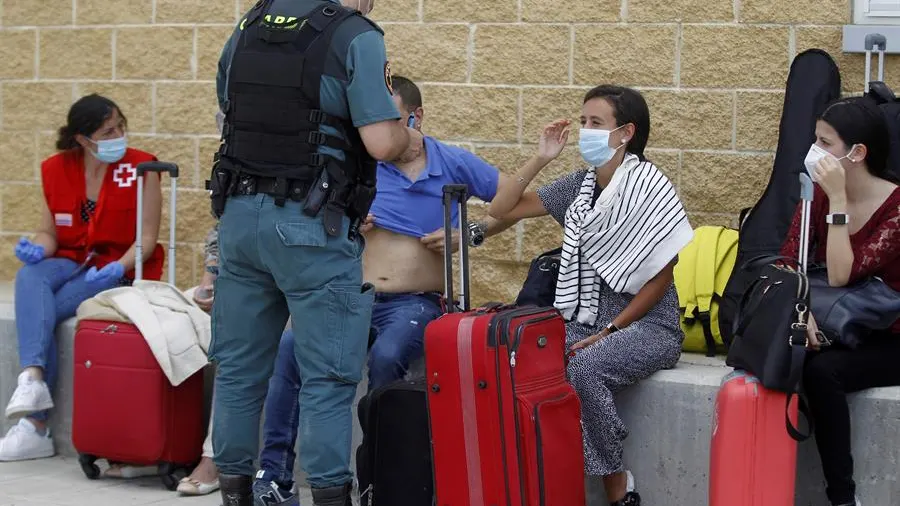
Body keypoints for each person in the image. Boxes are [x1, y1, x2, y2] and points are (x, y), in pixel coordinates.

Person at [249, 75, 516, 506]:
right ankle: (273, 477)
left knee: (388, 356)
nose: (378, 131)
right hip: (351, 295)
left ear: (416, 116)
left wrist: (470, 232)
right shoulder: (357, 163)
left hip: (415, 301)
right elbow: (309, 220)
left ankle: (379, 481)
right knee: (290, 348)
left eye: (387, 119)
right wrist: (345, 220)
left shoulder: (451, 162)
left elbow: (516, 199)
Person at [209, 0, 424, 504]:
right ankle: (330, 495)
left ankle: (235, 492)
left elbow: (227, 107)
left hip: (239, 219)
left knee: (239, 371)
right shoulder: (355, 34)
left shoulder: (249, 24)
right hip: (311, 225)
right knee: (327, 376)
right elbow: (377, 140)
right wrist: (407, 135)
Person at [488, 85, 694, 506]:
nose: (585, 131)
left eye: (595, 123)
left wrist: (611, 330)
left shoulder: (649, 188)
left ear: (626, 132)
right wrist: (542, 156)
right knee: (520, 357)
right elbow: (501, 209)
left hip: (646, 325)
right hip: (584, 319)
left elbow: (660, 280)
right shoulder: (579, 188)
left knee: (585, 367)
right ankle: (532, 479)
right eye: (583, 122)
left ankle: (615, 483)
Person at [0, 94, 164, 462]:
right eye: (108, 131)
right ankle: (33, 380)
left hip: (115, 264)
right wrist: (37, 249)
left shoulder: (143, 167)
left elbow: (148, 239)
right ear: (82, 139)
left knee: (47, 311)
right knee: (30, 276)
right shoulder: (57, 168)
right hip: (70, 257)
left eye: (121, 126)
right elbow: (49, 233)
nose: (118, 135)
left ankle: (35, 423)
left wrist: (120, 266)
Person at [780, 96, 900, 506]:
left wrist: (839, 202)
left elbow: (841, 273)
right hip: (833, 324)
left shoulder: (895, 207)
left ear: (857, 153)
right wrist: (802, 309)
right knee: (785, 357)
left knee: (823, 373)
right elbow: (787, 260)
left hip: (889, 335)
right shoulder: (815, 195)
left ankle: (843, 499)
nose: (814, 151)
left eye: (824, 142)